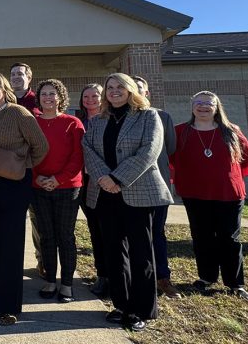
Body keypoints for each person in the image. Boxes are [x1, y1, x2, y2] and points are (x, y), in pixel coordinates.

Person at [82, 73, 172, 332]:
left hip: (138, 193)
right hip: (105, 194)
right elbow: (87, 148)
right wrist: (104, 178)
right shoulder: (99, 120)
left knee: (141, 252)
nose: (114, 91)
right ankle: (121, 304)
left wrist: (118, 178)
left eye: (120, 86)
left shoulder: (148, 116)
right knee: (113, 250)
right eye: (109, 87)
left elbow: (150, 151)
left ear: (132, 89)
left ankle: (141, 309)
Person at [0, 72, 48, 325]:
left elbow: (41, 146)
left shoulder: (18, 113)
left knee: (10, 243)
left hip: (13, 185)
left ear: (5, 90)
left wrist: (21, 165)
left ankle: (9, 305)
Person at [170, 91, 248, 301]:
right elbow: (172, 159)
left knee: (229, 238)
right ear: (192, 107)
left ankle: (235, 283)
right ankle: (206, 277)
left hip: (228, 194)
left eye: (208, 103)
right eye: (198, 103)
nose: (203, 107)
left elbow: (246, 159)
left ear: (216, 106)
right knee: (202, 237)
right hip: (195, 193)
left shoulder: (231, 131)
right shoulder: (180, 132)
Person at [32, 79, 85, 303]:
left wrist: (58, 178)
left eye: (52, 94)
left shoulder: (73, 123)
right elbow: (26, 153)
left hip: (67, 188)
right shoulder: (32, 122)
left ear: (60, 97)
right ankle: (50, 280)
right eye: (44, 94)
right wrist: (38, 177)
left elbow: (78, 157)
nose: (48, 98)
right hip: (38, 187)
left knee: (65, 237)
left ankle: (66, 284)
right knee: (46, 237)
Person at [132, 75, 181, 299]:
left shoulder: (162, 116)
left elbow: (169, 148)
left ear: (146, 93)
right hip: (125, 187)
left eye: (138, 89)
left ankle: (162, 277)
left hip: (155, 185)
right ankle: (133, 277)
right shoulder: (117, 118)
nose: (134, 92)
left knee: (156, 233)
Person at [10, 62, 43, 275]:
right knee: (12, 221)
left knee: (38, 220)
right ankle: (12, 262)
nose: (15, 77)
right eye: (12, 74)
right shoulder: (5, 101)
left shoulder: (37, 102)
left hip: (34, 170)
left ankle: (43, 261)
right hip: (9, 171)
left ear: (29, 77)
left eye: (20, 74)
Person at [76, 83, 108, 296]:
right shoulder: (79, 121)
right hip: (84, 183)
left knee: (108, 231)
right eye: (85, 96)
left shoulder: (109, 120)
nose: (90, 100)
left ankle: (114, 274)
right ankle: (103, 274)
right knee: (95, 229)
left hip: (106, 182)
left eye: (94, 95)